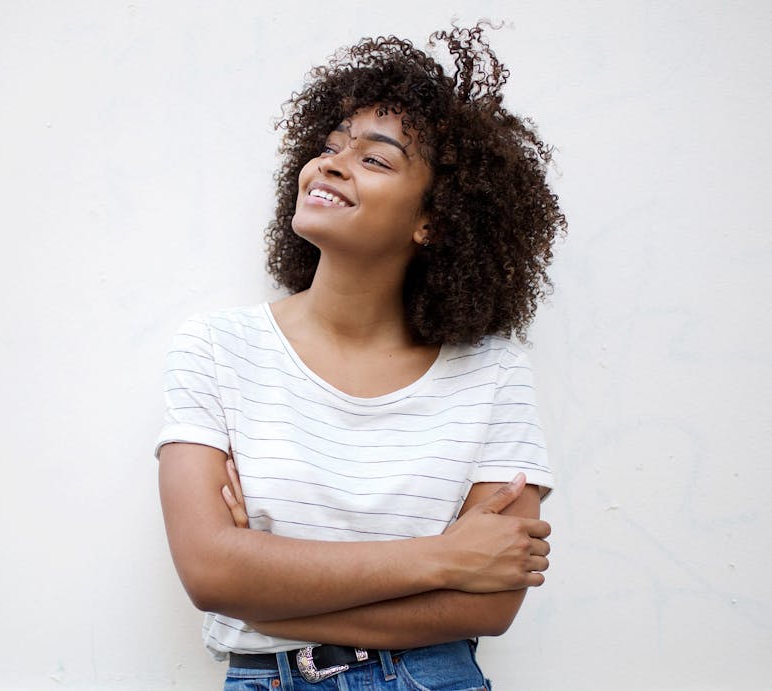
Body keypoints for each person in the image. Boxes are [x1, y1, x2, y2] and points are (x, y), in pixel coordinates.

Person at [156, 24, 566, 690]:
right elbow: (210, 572)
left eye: (375, 158)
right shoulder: (216, 348)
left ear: (432, 219)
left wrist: (268, 581)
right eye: (330, 146)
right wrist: (444, 557)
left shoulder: (493, 372)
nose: (331, 164)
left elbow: (492, 601)